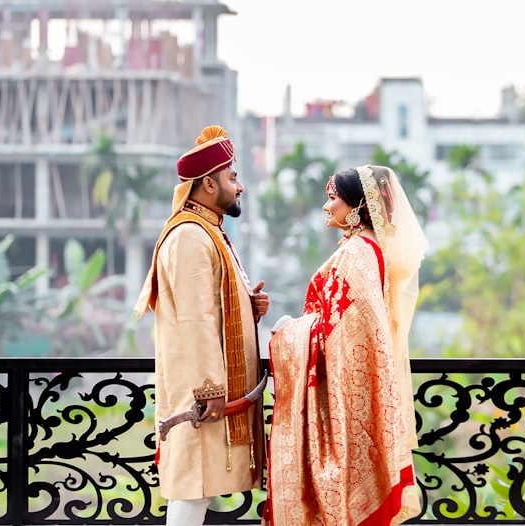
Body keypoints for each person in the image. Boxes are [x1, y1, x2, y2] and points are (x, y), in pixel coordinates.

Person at [263, 165, 428, 525]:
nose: (326, 206)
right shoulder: (365, 249)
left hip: (339, 397)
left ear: (357, 206)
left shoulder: (356, 254)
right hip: (350, 390)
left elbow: (343, 334)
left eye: (333, 197)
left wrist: (288, 332)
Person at [134, 125, 270, 525]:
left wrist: (249, 306)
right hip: (204, 392)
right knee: (193, 487)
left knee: (201, 487)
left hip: (211, 390)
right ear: (208, 184)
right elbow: (196, 319)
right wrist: (210, 390)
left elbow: (213, 304)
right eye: (233, 178)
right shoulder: (191, 236)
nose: (240, 187)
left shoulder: (208, 231)